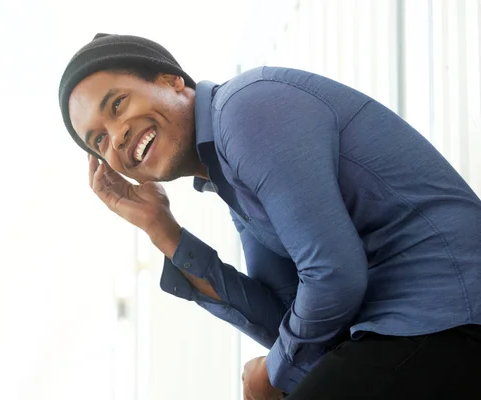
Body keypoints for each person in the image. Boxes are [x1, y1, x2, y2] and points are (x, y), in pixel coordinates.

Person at [58, 33, 481, 399]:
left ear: (172, 81)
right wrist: (162, 230)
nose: (117, 137)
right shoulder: (225, 171)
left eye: (117, 105)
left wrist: (273, 372)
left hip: (448, 315)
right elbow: (287, 319)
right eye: (99, 141)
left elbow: (334, 274)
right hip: (405, 332)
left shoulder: (246, 109)